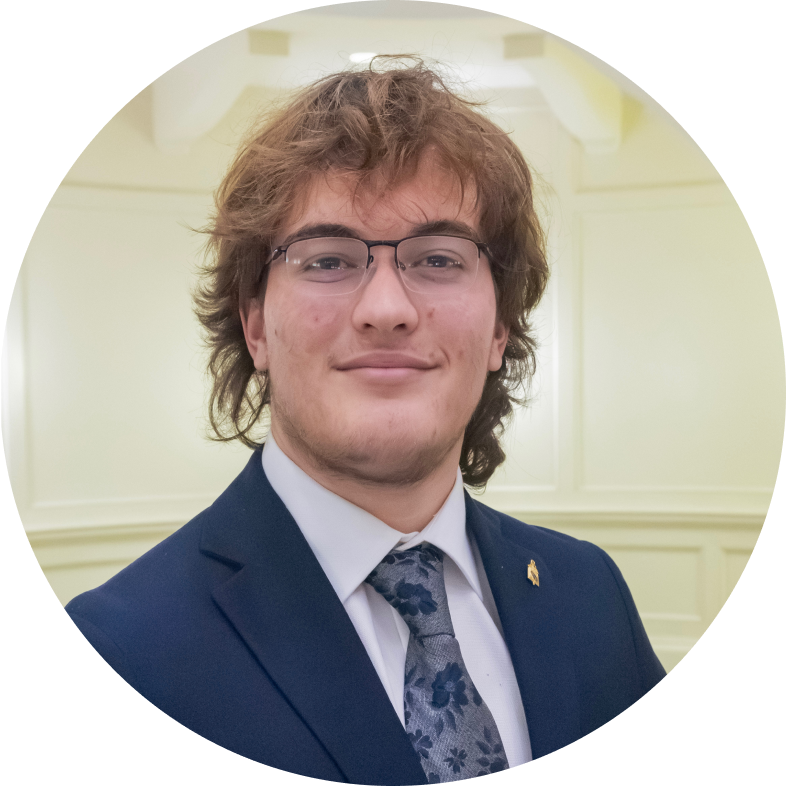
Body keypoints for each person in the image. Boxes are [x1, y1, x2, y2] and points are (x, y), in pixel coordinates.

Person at [65, 58, 665, 785]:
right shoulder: (122, 653)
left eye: (438, 258)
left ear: (499, 328)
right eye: (327, 261)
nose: (387, 309)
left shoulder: (593, 596)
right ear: (255, 326)